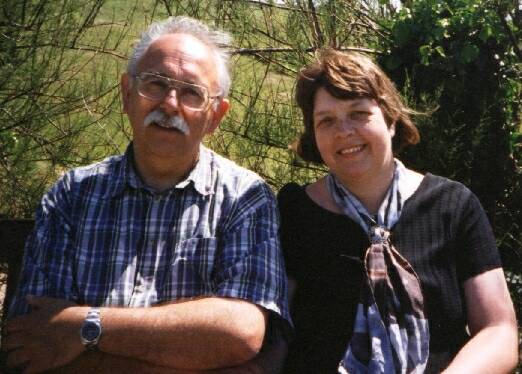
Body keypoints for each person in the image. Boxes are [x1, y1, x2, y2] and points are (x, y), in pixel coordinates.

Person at [2, 16, 291, 373]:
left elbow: (240, 333)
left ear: (215, 115)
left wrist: (84, 328)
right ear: (126, 94)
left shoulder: (245, 197)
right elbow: (35, 343)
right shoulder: (70, 196)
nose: (170, 104)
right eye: (155, 85)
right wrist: (197, 355)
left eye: (191, 93)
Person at [278, 49, 517, 373]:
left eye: (358, 113)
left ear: (390, 119)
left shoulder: (452, 206)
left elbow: (498, 331)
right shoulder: (294, 213)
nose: (343, 131)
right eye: (326, 120)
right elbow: (274, 336)